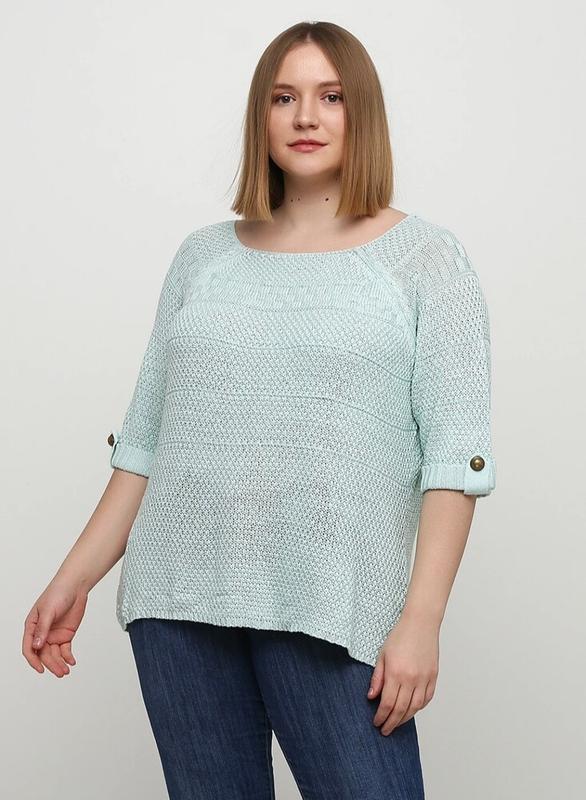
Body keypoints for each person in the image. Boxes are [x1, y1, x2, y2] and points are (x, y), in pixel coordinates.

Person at [22, 20, 497, 800]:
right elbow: (147, 444)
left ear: (362, 111)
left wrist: (422, 619)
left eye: (331, 97)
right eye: (284, 98)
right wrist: (72, 578)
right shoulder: (202, 257)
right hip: (178, 604)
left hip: (333, 606)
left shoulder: (424, 260)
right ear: (261, 116)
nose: (306, 116)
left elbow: (454, 457)